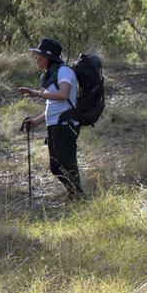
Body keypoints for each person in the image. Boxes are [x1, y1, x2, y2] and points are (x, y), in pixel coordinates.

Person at [18, 37, 85, 199]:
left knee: (66, 163)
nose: (36, 58)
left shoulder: (64, 71)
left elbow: (63, 94)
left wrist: (38, 94)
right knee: (56, 166)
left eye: (39, 55)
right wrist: (37, 121)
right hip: (55, 124)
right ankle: (74, 194)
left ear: (47, 56)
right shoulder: (53, 74)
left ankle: (78, 195)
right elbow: (53, 105)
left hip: (66, 124)